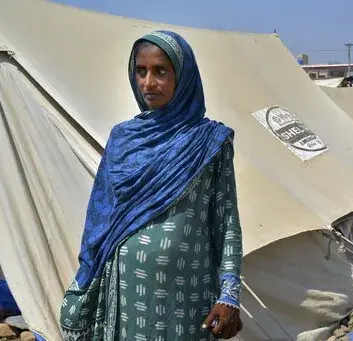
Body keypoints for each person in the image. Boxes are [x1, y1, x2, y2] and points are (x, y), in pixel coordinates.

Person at [60, 30, 243, 341]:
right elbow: (100, 221)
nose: (148, 83)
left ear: (183, 77)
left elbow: (226, 222)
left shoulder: (209, 141)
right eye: (141, 71)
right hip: (127, 292)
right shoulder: (123, 139)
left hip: (186, 296)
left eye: (161, 71)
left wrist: (229, 295)